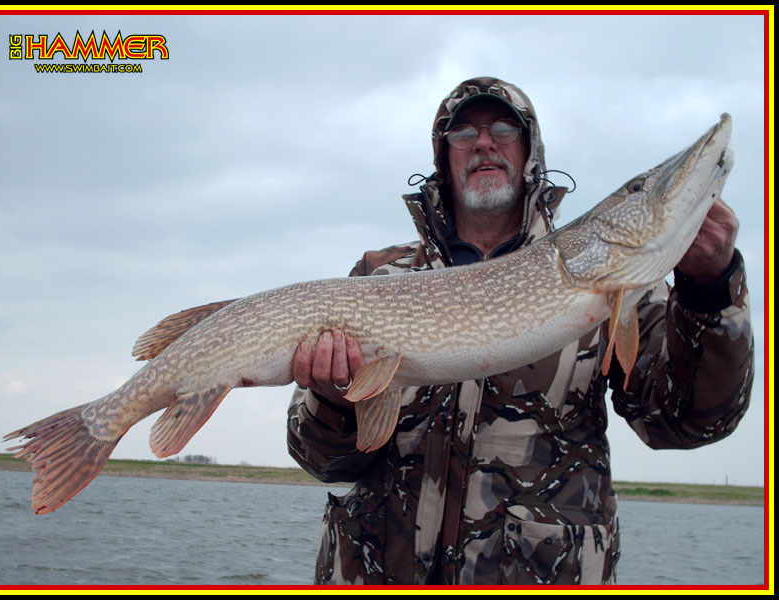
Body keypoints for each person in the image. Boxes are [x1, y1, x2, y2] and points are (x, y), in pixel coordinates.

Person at [286, 77, 753, 585]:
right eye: (464, 133)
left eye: (504, 130)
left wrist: (710, 290)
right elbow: (321, 461)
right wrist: (334, 398)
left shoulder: (623, 291)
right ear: (444, 157)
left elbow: (688, 422)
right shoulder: (379, 277)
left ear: (531, 152)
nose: (484, 143)